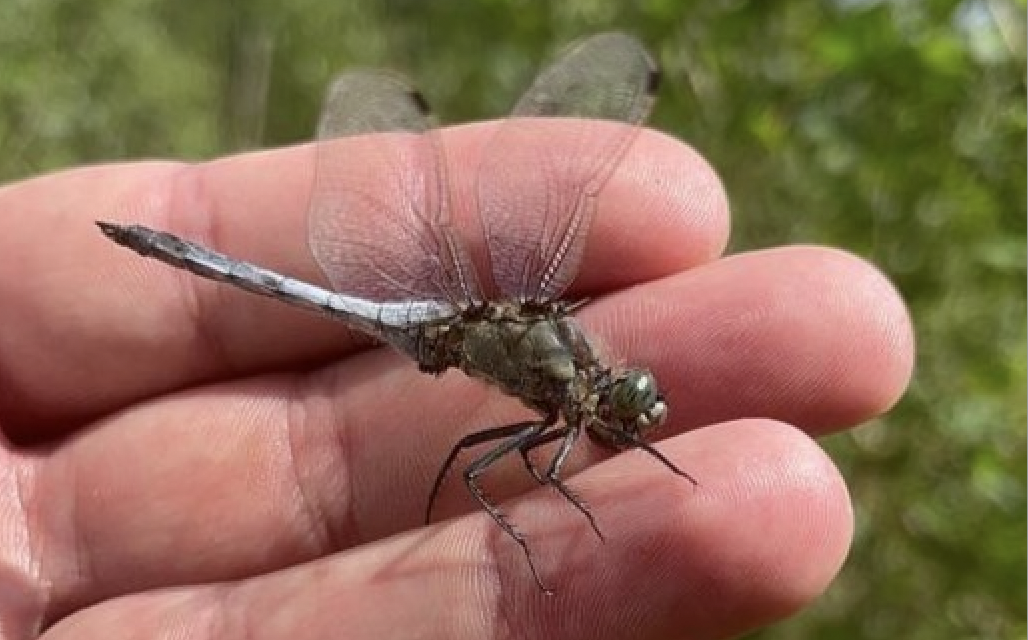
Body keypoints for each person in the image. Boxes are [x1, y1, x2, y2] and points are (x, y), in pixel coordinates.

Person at [0, 123, 913, 638]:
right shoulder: (562, 384)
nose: (637, 414)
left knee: (483, 464)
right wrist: (559, 513)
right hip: (431, 323)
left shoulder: (577, 385)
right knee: (481, 467)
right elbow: (518, 469)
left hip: (460, 329)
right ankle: (154, 246)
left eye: (636, 407)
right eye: (635, 407)